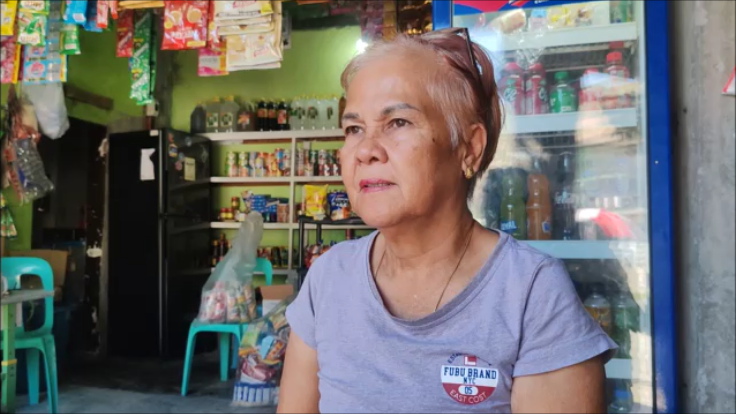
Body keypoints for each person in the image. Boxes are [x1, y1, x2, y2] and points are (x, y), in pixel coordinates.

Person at [278, 29, 617, 413]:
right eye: (354, 129)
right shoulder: (329, 279)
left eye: (398, 122)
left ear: (469, 148)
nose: (365, 150)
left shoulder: (530, 293)